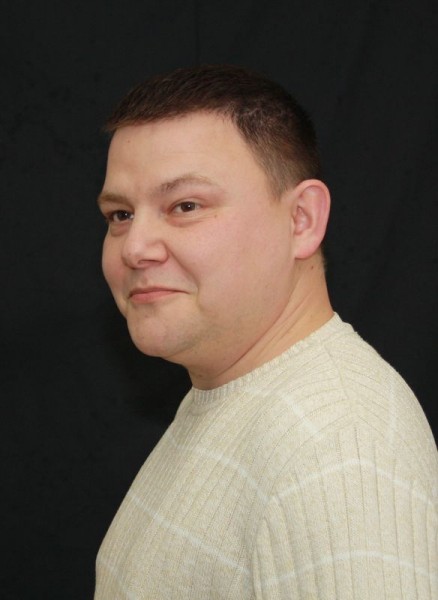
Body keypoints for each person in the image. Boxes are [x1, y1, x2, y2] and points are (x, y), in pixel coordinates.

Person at [94, 65, 438, 599]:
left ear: (302, 219)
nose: (135, 247)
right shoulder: (239, 396)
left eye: (185, 206)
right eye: (120, 214)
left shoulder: (338, 446)